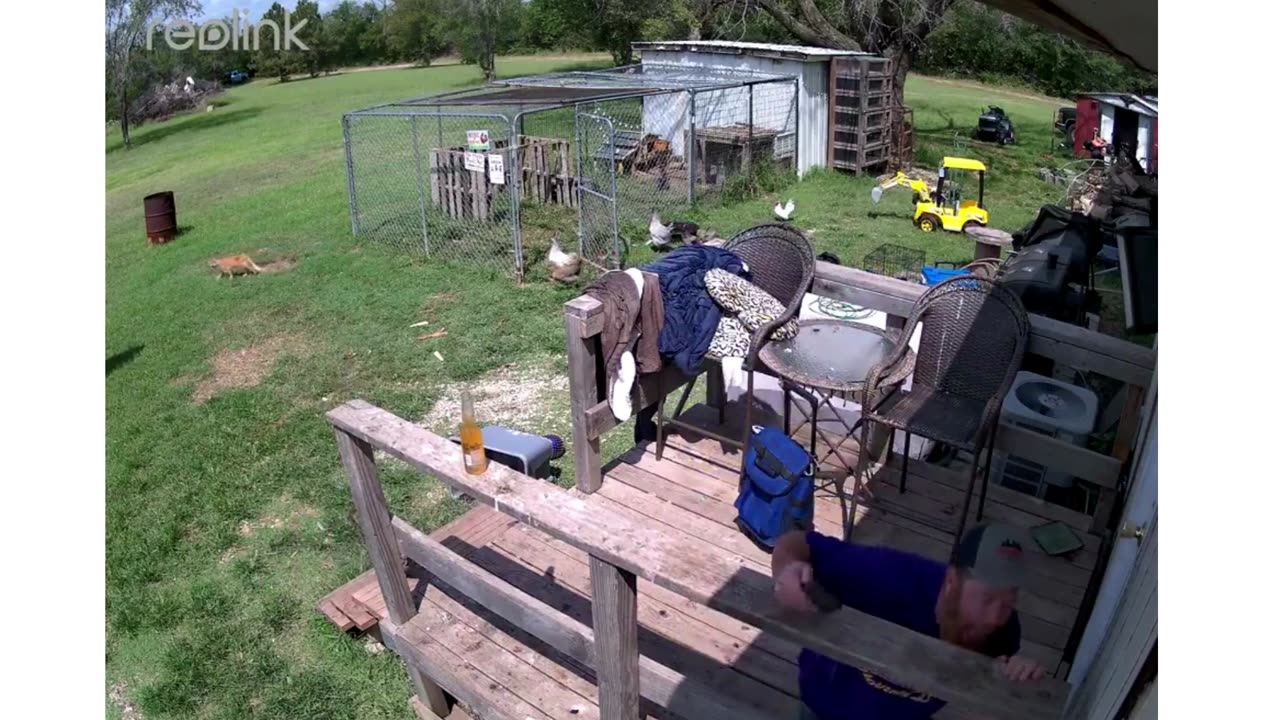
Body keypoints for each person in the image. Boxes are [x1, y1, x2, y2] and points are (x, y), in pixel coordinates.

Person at [771, 523, 1048, 719]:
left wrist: (1015, 680)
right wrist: (787, 571)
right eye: (987, 599)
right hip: (825, 706)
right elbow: (798, 542)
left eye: (1008, 602)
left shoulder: (1006, 630)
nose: (995, 618)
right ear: (952, 582)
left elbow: (986, 694)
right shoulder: (886, 576)